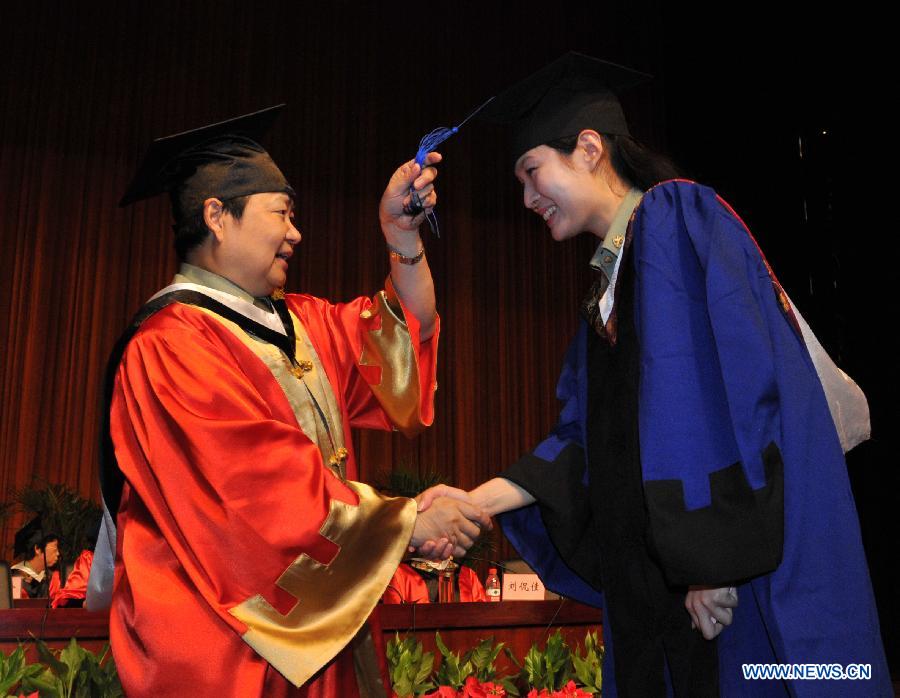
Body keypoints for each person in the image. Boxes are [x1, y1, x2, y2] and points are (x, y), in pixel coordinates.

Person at [418, 54, 890, 696]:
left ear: (588, 148)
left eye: (532, 171)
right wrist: (476, 501)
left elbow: (713, 394)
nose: (527, 198)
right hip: (669, 594)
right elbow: (586, 441)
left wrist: (711, 563)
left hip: (734, 581)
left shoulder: (674, 217)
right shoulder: (607, 293)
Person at [89, 106, 489, 697]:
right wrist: (404, 522)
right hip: (223, 645)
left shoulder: (299, 322)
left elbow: (404, 331)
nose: (297, 232)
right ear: (217, 216)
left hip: (312, 628)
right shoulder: (170, 344)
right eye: (282, 212)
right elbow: (252, 484)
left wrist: (402, 236)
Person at [10, 528, 60, 599]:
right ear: (37, 549)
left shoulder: (53, 578)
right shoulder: (14, 579)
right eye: (54, 549)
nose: (58, 553)